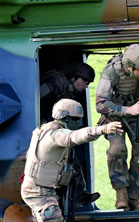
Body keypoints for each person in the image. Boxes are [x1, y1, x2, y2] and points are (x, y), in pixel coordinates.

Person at [22, 98, 122, 222]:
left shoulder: (44, 129)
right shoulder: (55, 134)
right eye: (77, 119)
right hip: (41, 193)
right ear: (67, 118)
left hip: (39, 191)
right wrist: (103, 130)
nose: (79, 122)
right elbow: (74, 137)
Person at [95, 44, 139, 210]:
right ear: (129, 66)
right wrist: (127, 110)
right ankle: (121, 194)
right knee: (117, 150)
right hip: (115, 113)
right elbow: (101, 104)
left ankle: (134, 197)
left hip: (138, 112)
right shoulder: (111, 71)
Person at [39, 62, 99, 206]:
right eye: (84, 82)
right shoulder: (55, 83)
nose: (86, 86)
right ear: (74, 77)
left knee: (70, 155)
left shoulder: (69, 92)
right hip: (42, 131)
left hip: (52, 130)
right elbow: (33, 101)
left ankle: (79, 193)